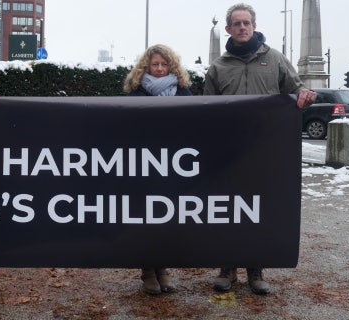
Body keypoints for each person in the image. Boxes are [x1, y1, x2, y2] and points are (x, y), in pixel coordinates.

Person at [203, 3, 316, 295]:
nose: (242, 28)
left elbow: (297, 89)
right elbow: (205, 111)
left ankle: (255, 269)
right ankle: (227, 268)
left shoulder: (276, 59)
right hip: (229, 152)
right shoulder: (218, 67)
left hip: (265, 150)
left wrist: (305, 94)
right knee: (227, 209)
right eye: (237, 23)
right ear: (228, 29)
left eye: (247, 23)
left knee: (258, 208)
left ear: (254, 26)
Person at [122, 43, 192, 295]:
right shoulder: (136, 94)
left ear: (171, 66)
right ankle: (148, 270)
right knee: (145, 219)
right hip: (144, 167)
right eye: (155, 64)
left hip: (176, 166)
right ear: (146, 67)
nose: (160, 69)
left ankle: (164, 269)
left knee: (168, 218)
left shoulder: (184, 93)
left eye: (164, 64)